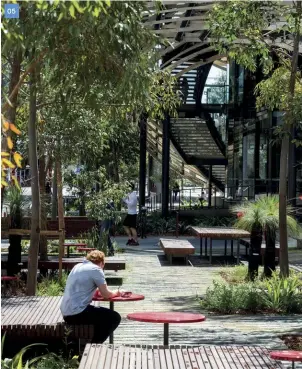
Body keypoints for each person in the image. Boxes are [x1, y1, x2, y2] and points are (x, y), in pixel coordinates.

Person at [60, 250, 121, 343]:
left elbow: (84, 287)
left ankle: (92, 343)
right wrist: (117, 292)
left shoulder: (78, 266)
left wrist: (96, 291)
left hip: (66, 312)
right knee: (114, 317)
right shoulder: (96, 269)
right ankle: (94, 345)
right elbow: (106, 294)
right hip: (77, 313)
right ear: (101, 263)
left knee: (100, 316)